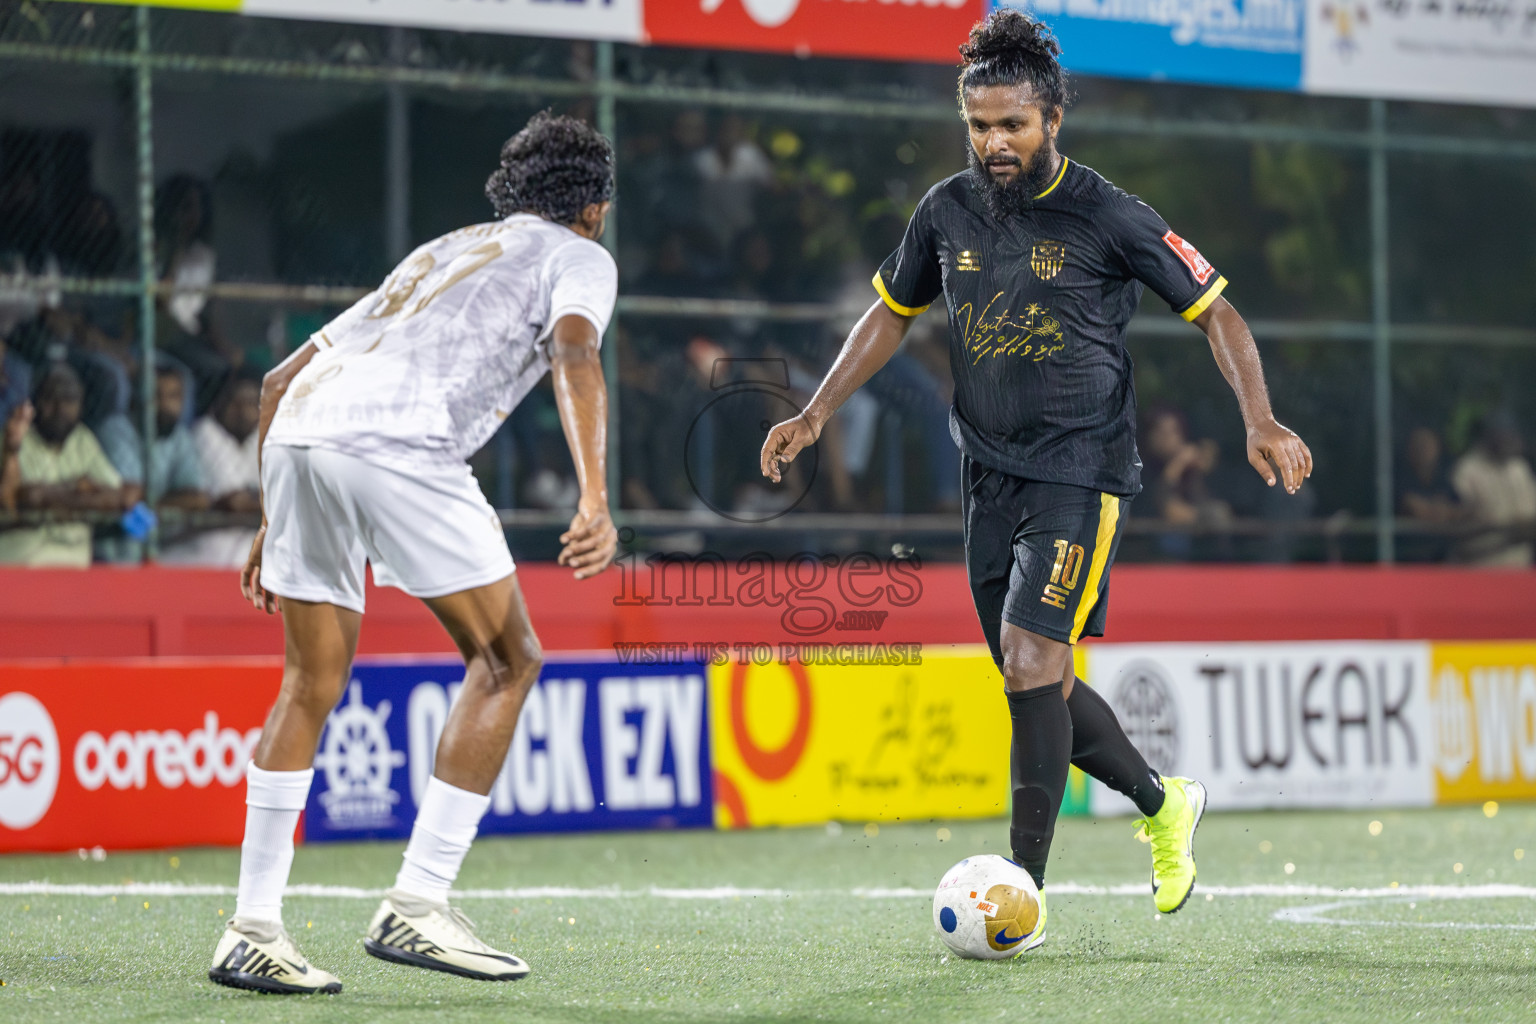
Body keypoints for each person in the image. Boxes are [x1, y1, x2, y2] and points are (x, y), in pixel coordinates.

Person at [761, 10, 1312, 947]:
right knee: (1037, 686)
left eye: (1012, 124)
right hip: (990, 475)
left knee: (1029, 658)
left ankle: (1023, 891)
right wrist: (816, 411)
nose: (994, 143)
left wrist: (1258, 417)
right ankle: (1164, 800)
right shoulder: (945, 210)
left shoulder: (1110, 213)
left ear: (1053, 117)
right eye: (979, 125)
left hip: (1082, 472)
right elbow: (889, 316)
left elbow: (1219, 314)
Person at [208, 112, 619, 995]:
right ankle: (418, 903)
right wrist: (594, 496)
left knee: (307, 685)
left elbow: (279, 381)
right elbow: (576, 353)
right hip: (398, 444)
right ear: (592, 206)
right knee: (509, 659)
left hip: (301, 435)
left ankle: (251, 928)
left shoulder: (441, 250)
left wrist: (278, 516)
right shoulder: (578, 256)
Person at [0, 362, 137, 566]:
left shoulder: (82, 439)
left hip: (75, 567)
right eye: (50, 398)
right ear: (34, 401)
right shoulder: (14, 438)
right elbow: (26, 498)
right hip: (24, 566)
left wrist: (54, 497)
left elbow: (125, 496)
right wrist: (79, 488)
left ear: (81, 404)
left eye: (69, 399)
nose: (60, 408)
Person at [170, 370, 262, 566]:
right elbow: (236, 502)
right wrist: (266, 503)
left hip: (239, 551)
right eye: (235, 402)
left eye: (251, 403)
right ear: (218, 403)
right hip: (197, 552)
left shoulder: (258, 437)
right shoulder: (205, 432)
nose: (243, 412)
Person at [1451, 413, 1536, 567]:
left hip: (1520, 564)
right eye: (1501, 433)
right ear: (1488, 435)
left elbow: (1530, 512)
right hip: (1481, 564)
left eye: (1509, 433)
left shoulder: (1519, 468)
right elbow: (1458, 516)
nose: (1507, 438)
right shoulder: (1468, 469)